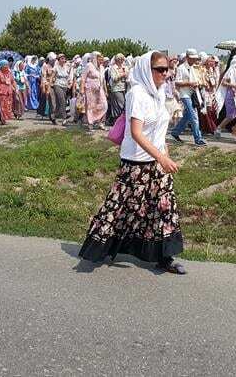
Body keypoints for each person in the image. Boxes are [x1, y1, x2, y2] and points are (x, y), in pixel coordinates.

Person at [78, 51, 186, 275]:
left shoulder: (158, 92)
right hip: (136, 162)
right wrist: (161, 157)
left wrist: (164, 152)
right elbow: (136, 133)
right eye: (160, 69)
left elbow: (159, 128)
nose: (165, 74)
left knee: (163, 207)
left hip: (156, 161)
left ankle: (164, 257)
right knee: (121, 207)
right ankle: (97, 249)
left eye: (167, 69)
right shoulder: (137, 94)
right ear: (148, 69)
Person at [170, 49, 207, 145]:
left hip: (193, 94)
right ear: (187, 58)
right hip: (184, 94)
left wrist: (198, 83)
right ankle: (198, 138)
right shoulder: (181, 68)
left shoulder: (194, 68)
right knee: (194, 116)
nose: (194, 60)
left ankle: (175, 132)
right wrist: (189, 83)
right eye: (192, 58)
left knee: (187, 116)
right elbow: (177, 82)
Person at [216, 54, 236, 135]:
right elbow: (224, 83)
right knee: (231, 115)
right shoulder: (231, 71)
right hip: (231, 95)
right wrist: (233, 85)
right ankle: (219, 128)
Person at [82, 52, 108, 130]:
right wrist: (82, 90)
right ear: (95, 58)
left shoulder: (102, 68)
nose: (101, 61)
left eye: (102, 59)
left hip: (100, 89)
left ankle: (101, 122)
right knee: (90, 106)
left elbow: (103, 80)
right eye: (99, 59)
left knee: (104, 105)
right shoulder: (89, 65)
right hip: (90, 89)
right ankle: (90, 124)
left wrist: (105, 90)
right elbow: (83, 78)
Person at [0, 58, 17, 124]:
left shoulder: (9, 72)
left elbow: (13, 81)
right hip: (1, 92)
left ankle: (5, 118)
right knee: (1, 106)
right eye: (5, 65)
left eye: (7, 65)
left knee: (8, 105)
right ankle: (2, 120)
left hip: (9, 92)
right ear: (1, 66)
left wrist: (15, 88)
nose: (6, 66)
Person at [106, 53, 128, 124]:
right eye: (120, 59)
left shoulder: (124, 67)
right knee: (121, 105)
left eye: (122, 59)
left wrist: (126, 75)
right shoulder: (113, 68)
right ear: (117, 60)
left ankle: (117, 122)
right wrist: (122, 75)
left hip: (124, 88)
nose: (121, 60)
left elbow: (127, 76)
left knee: (120, 105)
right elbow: (114, 78)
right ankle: (118, 122)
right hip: (116, 88)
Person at [51, 54, 71, 125]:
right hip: (57, 85)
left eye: (64, 59)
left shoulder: (67, 67)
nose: (63, 60)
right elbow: (52, 76)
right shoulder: (56, 67)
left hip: (65, 86)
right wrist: (50, 85)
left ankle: (53, 116)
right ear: (58, 60)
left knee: (59, 103)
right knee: (62, 100)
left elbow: (68, 77)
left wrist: (69, 83)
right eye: (62, 59)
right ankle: (64, 118)